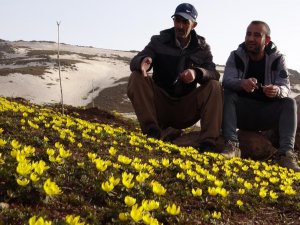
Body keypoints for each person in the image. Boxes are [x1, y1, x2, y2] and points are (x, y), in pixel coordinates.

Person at [127, 3, 222, 151]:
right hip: (160, 104)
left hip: (185, 107)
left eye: (185, 22)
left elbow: (214, 73)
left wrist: (196, 73)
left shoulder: (202, 47)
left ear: (194, 25)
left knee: (214, 86)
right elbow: (136, 60)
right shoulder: (159, 40)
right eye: (177, 20)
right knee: (136, 77)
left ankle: (208, 144)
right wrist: (143, 62)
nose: (180, 25)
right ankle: (152, 132)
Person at [222, 20, 300, 172]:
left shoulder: (278, 59)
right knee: (228, 95)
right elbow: (227, 80)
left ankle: (285, 154)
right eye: (248, 34)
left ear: (267, 40)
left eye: (257, 35)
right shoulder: (236, 55)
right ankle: (232, 146)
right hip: (242, 112)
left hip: (266, 114)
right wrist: (241, 83)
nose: (251, 38)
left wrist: (276, 90)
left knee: (289, 103)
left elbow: (285, 87)